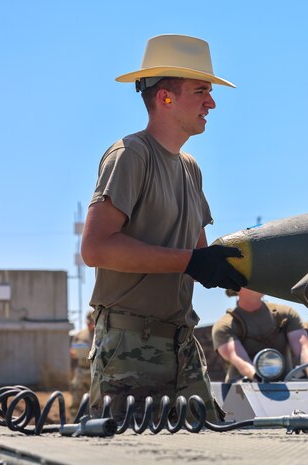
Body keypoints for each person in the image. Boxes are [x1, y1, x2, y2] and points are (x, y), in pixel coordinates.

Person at [81, 34, 247, 421]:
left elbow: (201, 255)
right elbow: (96, 248)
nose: (212, 102)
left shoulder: (190, 168)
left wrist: (241, 268)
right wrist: (191, 261)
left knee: (211, 447)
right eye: (201, 91)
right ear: (165, 97)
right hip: (128, 347)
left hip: (182, 345)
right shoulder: (130, 155)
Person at [212, 288, 308, 382]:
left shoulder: (285, 315)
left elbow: (303, 347)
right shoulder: (225, 325)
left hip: (285, 387)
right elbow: (240, 360)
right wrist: (261, 380)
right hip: (241, 391)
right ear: (235, 287)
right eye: (251, 281)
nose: (260, 283)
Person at [68, 313, 95, 417]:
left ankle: (93, 420)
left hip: (94, 371)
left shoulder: (100, 333)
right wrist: (74, 352)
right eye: (88, 322)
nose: (89, 324)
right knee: (76, 396)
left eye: (92, 322)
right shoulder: (79, 334)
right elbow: (72, 351)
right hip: (81, 370)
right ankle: (75, 420)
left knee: (94, 399)